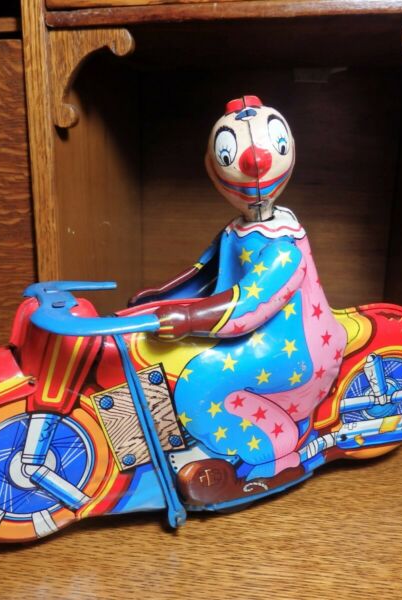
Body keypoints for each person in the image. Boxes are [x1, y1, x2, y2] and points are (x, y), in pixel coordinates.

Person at [131, 96, 347, 481]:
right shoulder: (238, 229)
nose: (256, 163)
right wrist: (159, 299)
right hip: (247, 338)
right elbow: (203, 273)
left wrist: (189, 318)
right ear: (211, 166)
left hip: (294, 349)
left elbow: (249, 305)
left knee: (201, 381)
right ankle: (200, 441)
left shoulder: (283, 247)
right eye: (228, 154)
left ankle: (273, 452)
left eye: (272, 147)